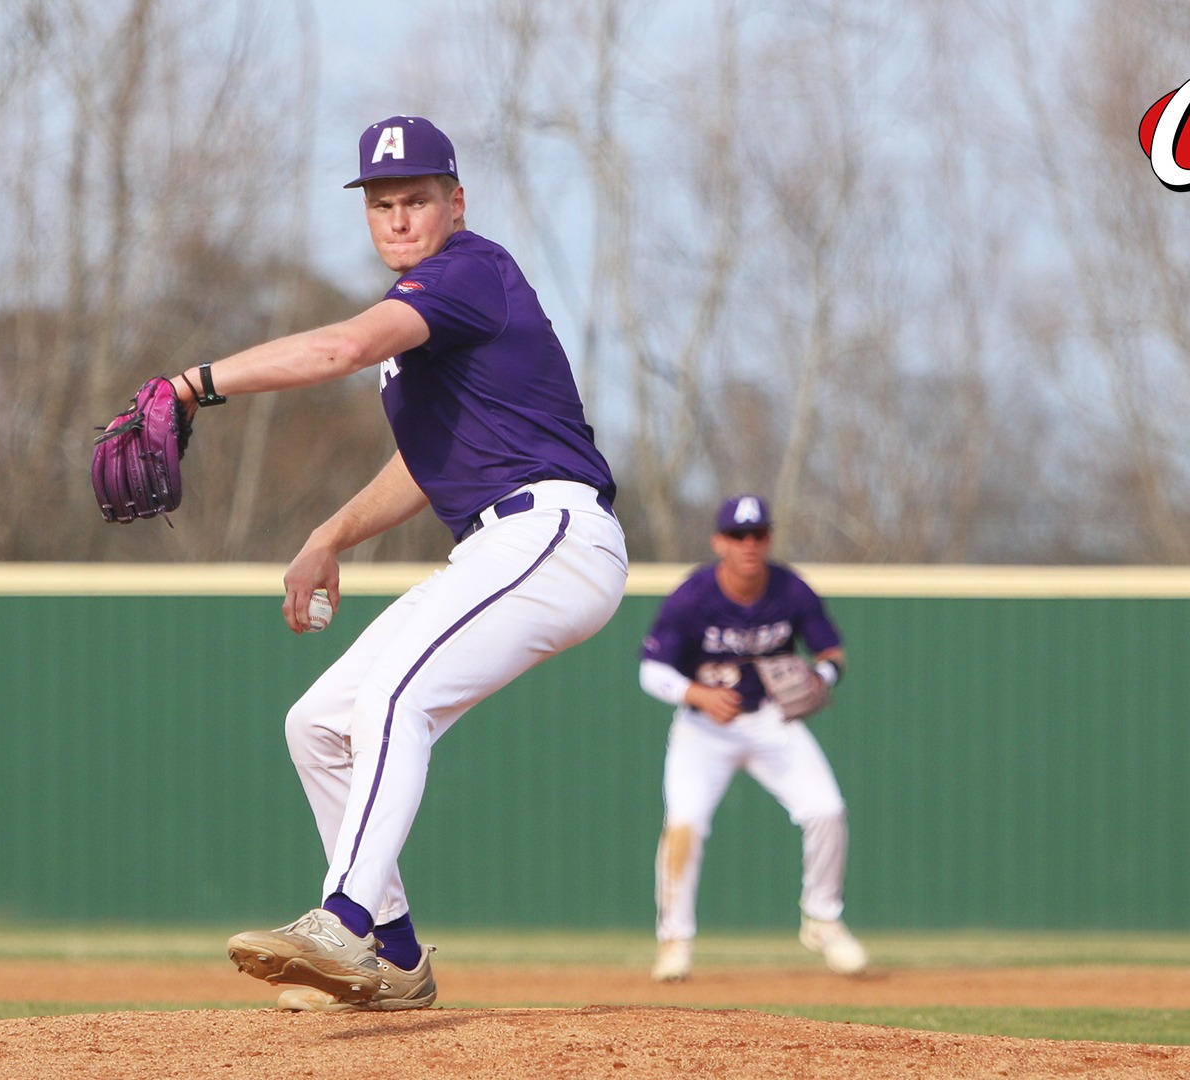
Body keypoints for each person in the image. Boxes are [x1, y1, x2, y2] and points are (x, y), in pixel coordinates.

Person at [166, 116, 628, 1012]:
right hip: (501, 545)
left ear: (456, 202)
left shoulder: (467, 273)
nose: (399, 217)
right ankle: (396, 954)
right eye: (382, 204)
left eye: (417, 198)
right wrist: (330, 535)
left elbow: (340, 348)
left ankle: (341, 917)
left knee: (392, 699)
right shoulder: (433, 320)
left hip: (554, 535)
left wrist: (195, 383)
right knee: (319, 723)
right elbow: (428, 462)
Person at [638, 493, 867, 981]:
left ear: (769, 538)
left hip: (771, 722)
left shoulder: (791, 591)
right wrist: (696, 693)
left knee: (827, 810)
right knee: (685, 825)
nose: (748, 544)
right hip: (705, 729)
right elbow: (651, 669)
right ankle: (674, 940)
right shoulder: (694, 596)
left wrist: (821, 678)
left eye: (757, 534)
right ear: (719, 542)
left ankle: (823, 919)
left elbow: (831, 651)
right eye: (738, 535)